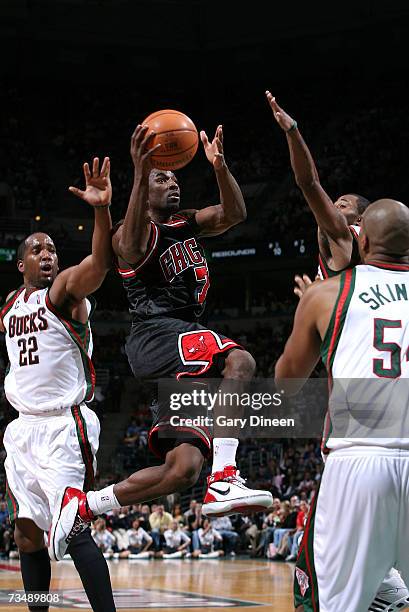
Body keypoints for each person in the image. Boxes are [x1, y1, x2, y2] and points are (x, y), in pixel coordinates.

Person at [50, 121, 272, 560]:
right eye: (161, 178)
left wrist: (220, 167)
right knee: (241, 362)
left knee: (183, 470)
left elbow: (235, 214)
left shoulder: (186, 223)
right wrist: (138, 171)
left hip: (178, 343)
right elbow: (128, 247)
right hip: (157, 334)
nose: (172, 183)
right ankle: (226, 472)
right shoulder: (130, 232)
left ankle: (87, 505)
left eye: (173, 177)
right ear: (143, 187)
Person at [267, 93, 409, 612]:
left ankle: (378, 588)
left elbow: (309, 185)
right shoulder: (346, 265)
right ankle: (387, 586)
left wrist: (292, 131)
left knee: (317, 578)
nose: (340, 208)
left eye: (350, 207)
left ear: (364, 233)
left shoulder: (344, 247)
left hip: (361, 444)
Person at [0, 157, 116, 611]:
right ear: (20, 262)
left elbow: (101, 263)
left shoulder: (63, 293)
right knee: (27, 536)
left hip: (64, 429)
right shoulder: (10, 305)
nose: (48, 255)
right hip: (23, 429)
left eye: (51, 249)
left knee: (74, 526)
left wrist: (101, 211)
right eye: (37, 249)